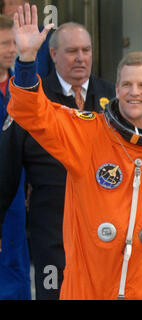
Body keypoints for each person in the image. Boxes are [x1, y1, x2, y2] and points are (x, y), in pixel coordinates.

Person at [7, 4, 142, 300]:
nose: (134, 91)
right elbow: (31, 113)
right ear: (117, 88)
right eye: (126, 84)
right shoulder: (88, 132)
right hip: (92, 286)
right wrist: (27, 59)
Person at [0, 21, 115, 299]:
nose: (81, 58)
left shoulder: (113, 98)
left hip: (107, 232)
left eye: (86, 50)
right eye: (72, 51)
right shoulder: (32, 99)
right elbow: (6, 171)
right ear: (52, 54)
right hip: (52, 231)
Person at [0, 13, 31, 300]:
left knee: (14, 257)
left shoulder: (21, 87)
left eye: (13, 43)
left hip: (16, 191)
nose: (11, 49)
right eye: (4, 43)